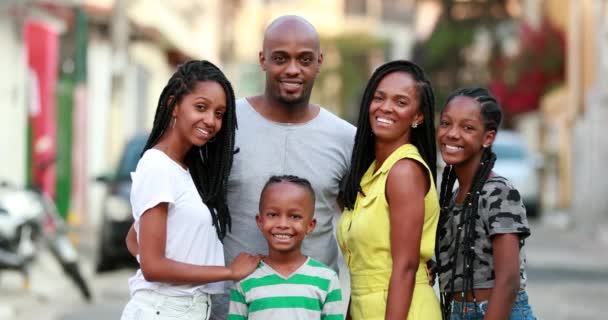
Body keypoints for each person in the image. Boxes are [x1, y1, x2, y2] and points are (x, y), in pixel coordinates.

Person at [212, 15, 355, 319]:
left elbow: (362, 222)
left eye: (304, 59)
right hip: (231, 306)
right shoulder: (224, 126)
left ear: (320, 62)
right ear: (263, 60)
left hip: (313, 310)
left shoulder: (345, 138)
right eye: (280, 58)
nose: (292, 69)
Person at [121, 60, 261, 320]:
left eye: (219, 114)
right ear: (173, 105)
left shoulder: (184, 171)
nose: (210, 121)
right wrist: (228, 272)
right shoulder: (158, 165)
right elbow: (152, 267)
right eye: (201, 107)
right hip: (164, 310)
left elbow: (133, 240)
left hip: (184, 309)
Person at [337, 60, 442, 320]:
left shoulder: (404, 171)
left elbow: (405, 268)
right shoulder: (370, 174)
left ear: (418, 116)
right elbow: (364, 268)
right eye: (379, 98)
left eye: (401, 102)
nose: (386, 107)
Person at [435, 87, 536, 320]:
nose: (452, 133)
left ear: (488, 138)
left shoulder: (498, 192)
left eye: (467, 127)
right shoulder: (453, 197)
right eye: (446, 123)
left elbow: (508, 281)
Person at [228, 175, 344, 319]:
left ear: (310, 225)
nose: (283, 224)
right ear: (260, 221)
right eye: (273, 214)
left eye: (294, 216)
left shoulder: (327, 279)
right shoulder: (245, 279)